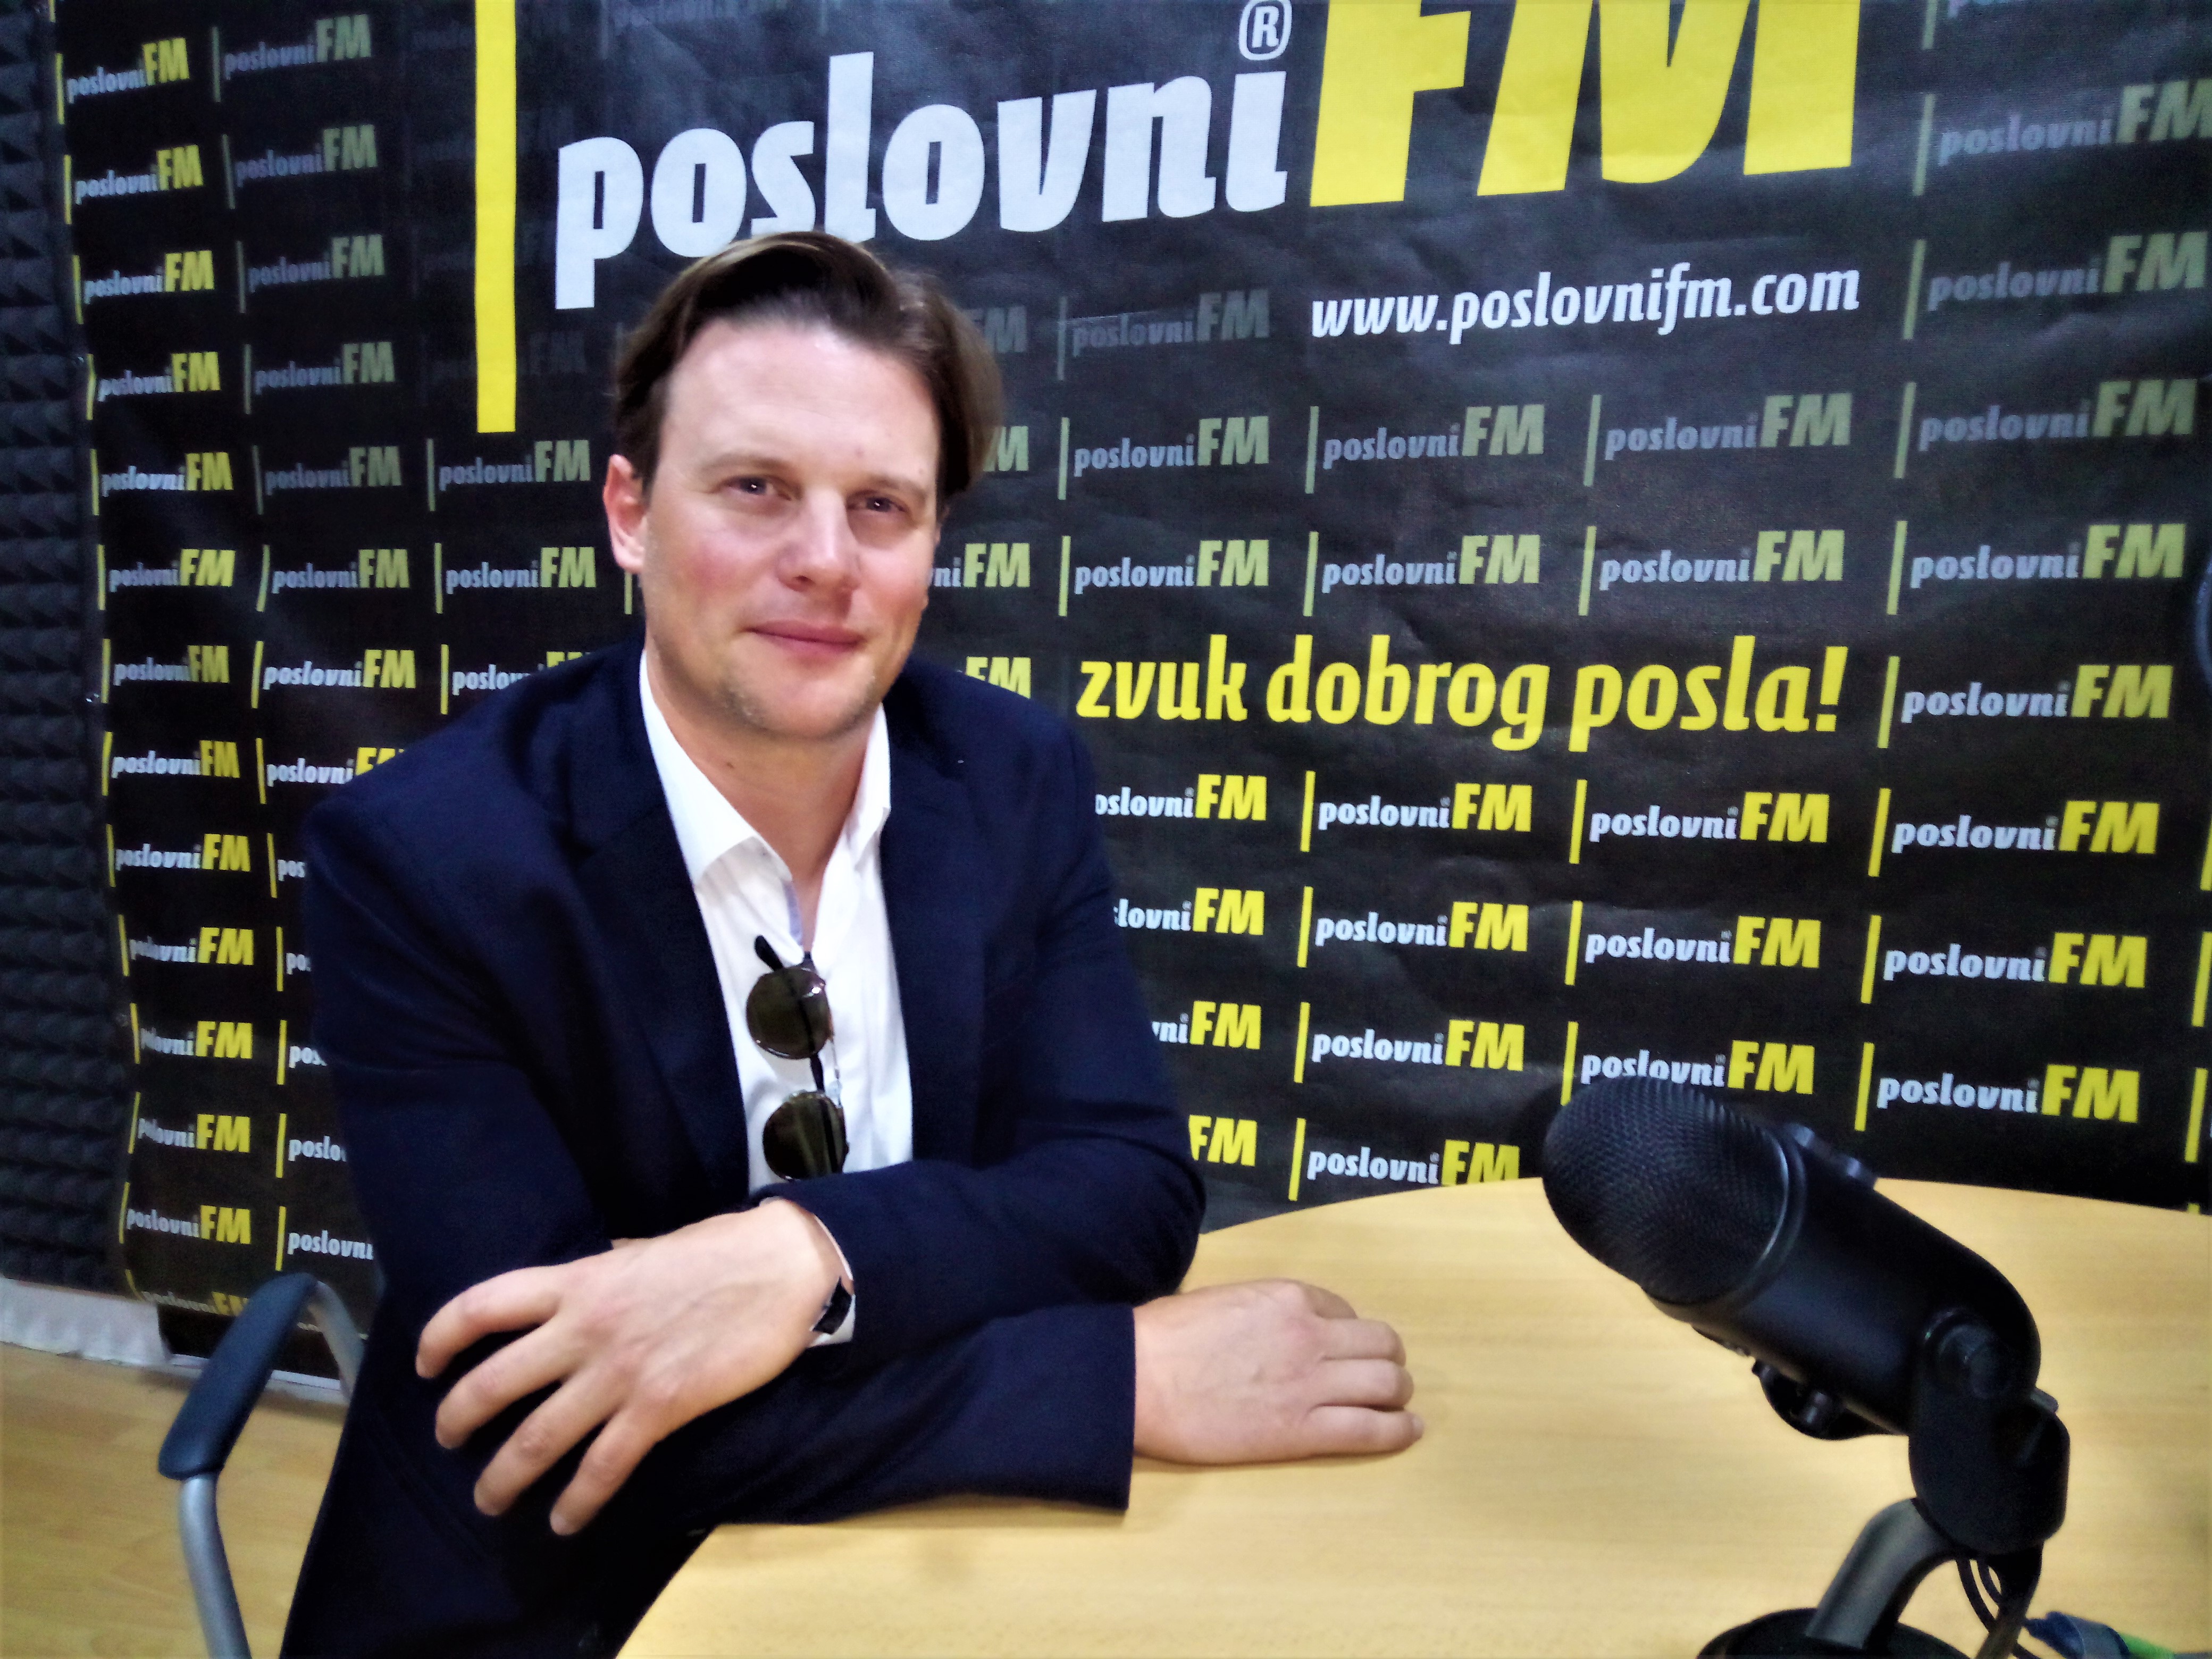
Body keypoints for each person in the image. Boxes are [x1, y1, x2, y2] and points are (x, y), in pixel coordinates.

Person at [284, 231, 1418, 1658]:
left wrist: (804, 1261)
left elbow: (1125, 1192)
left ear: (931, 545)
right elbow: (552, 1413)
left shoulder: (1012, 775)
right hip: (551, 1607)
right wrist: (1111, 1382)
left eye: (882, 506)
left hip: (936, 1570)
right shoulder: (424, 856)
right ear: (630, 513)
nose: (825, 561)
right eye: (756, 488)